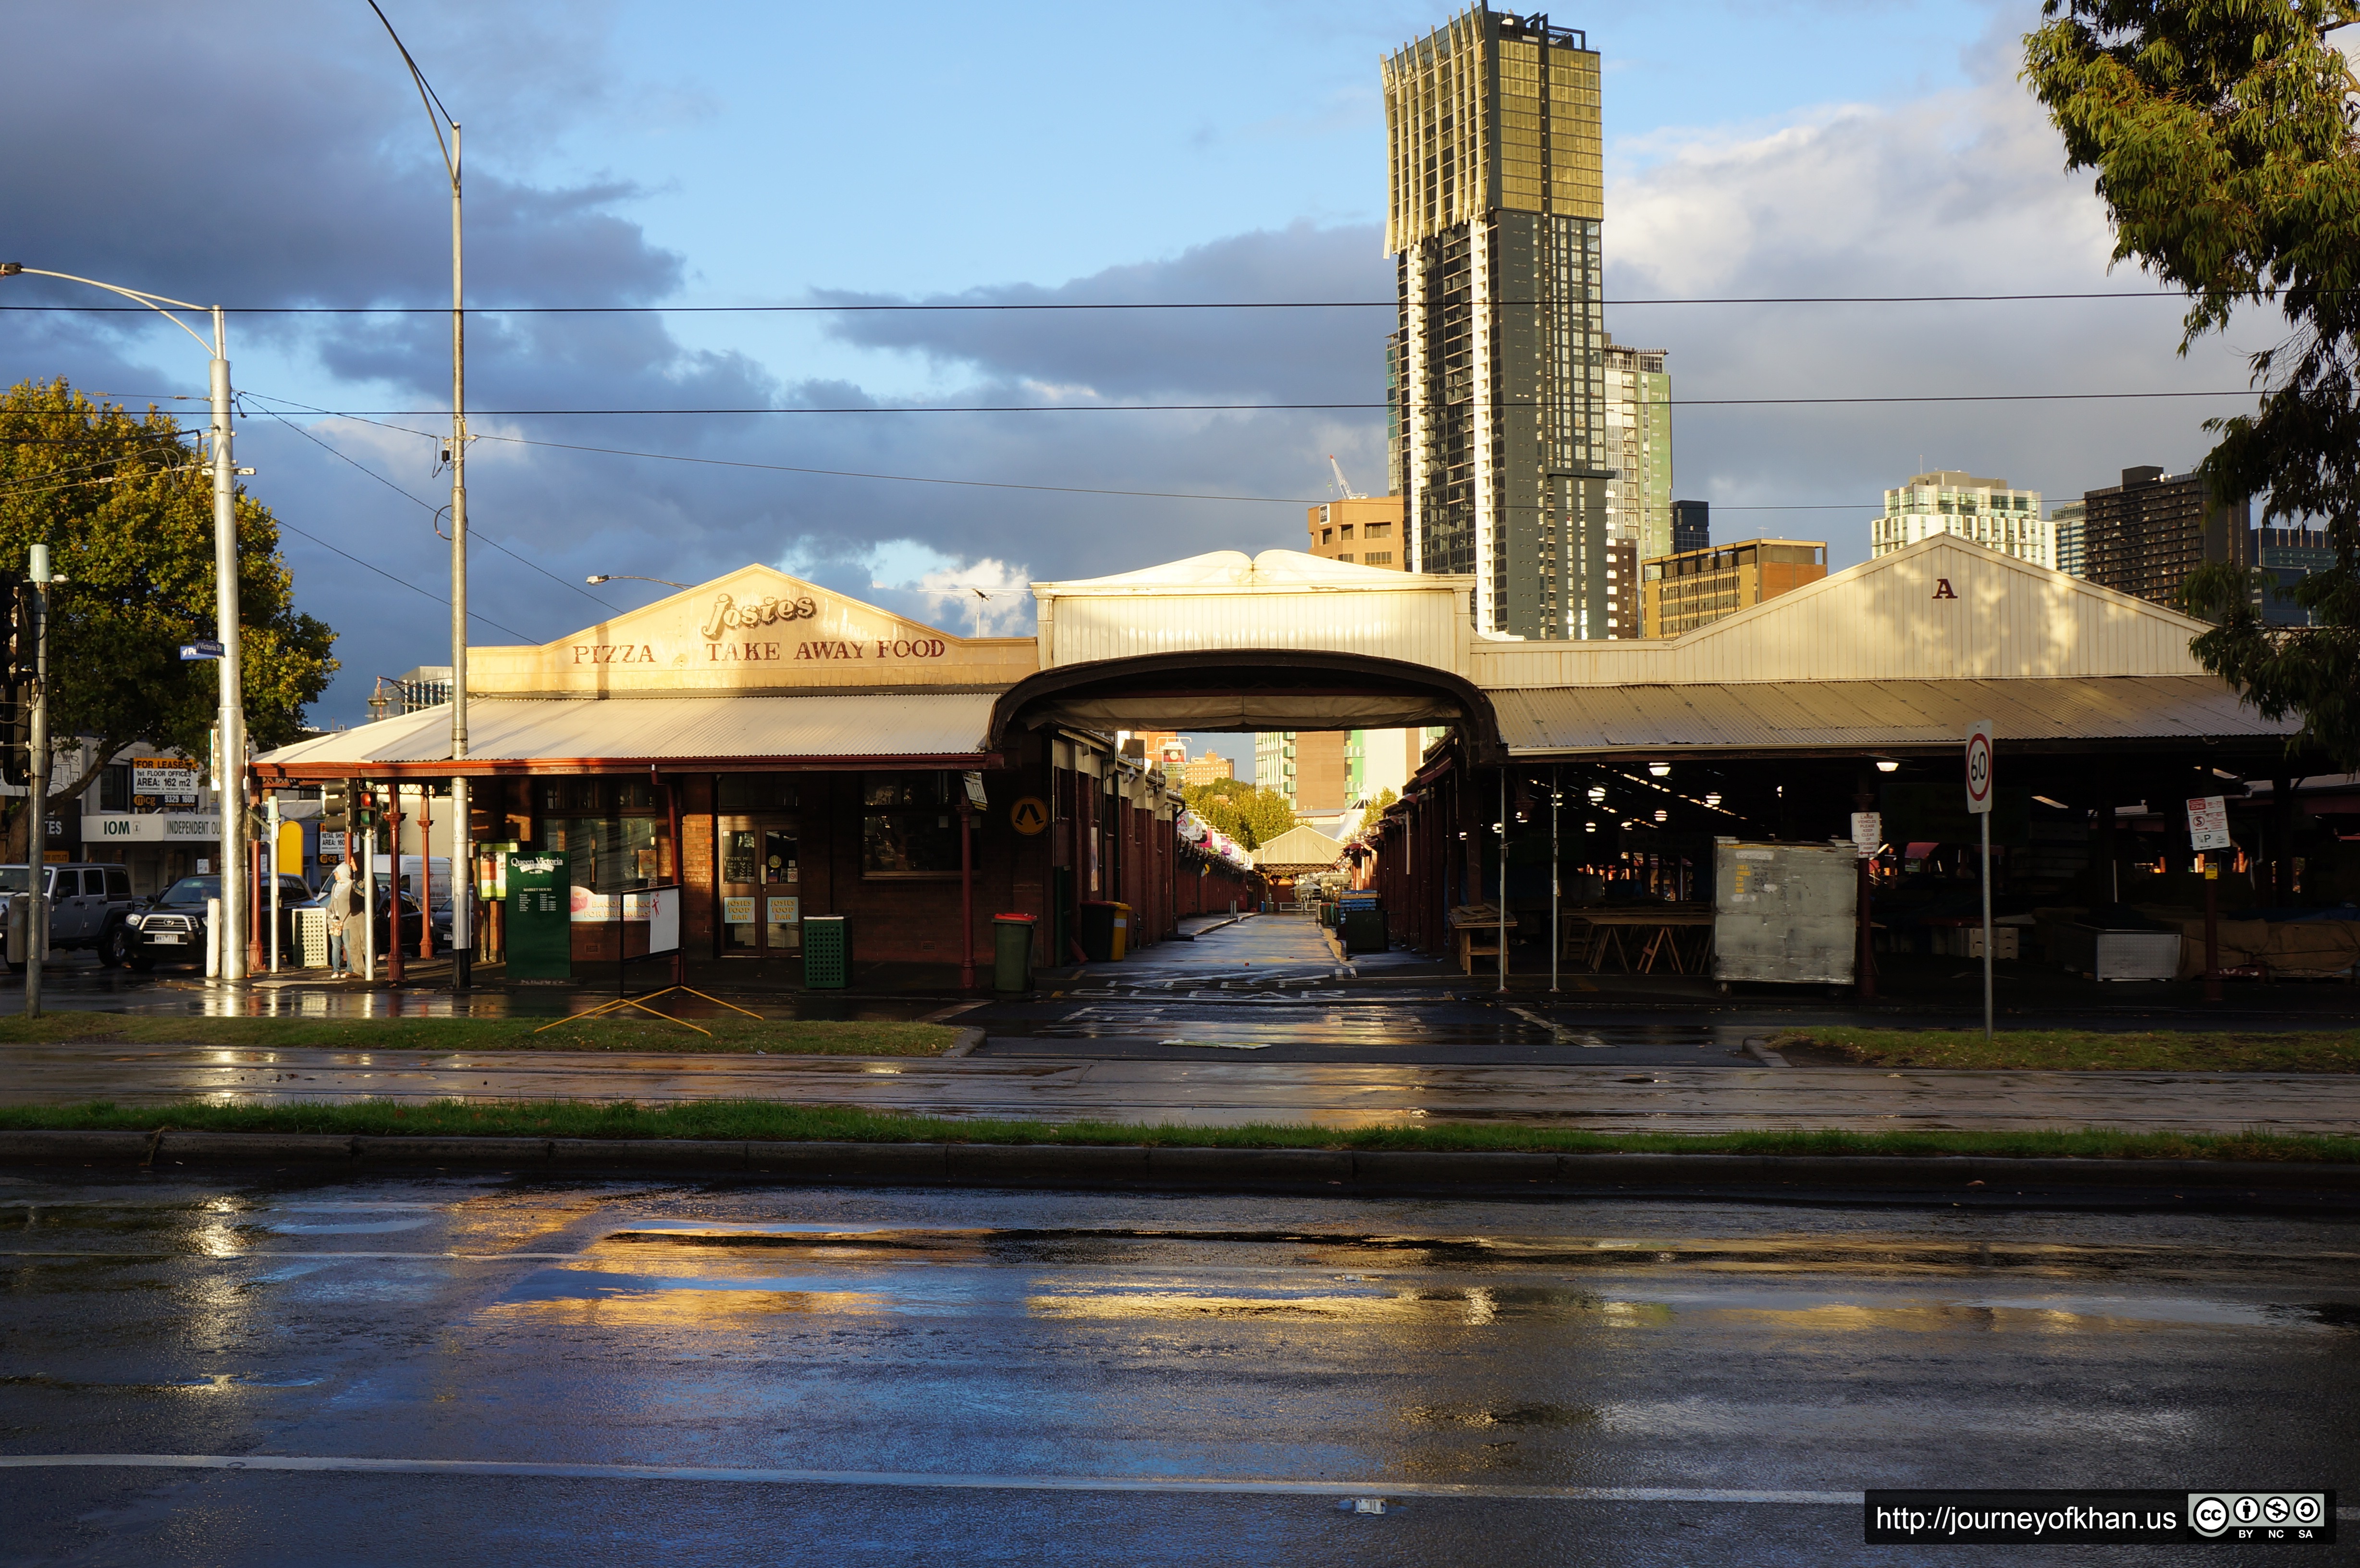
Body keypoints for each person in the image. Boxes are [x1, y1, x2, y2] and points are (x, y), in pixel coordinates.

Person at [324, 860, 355, 976]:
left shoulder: (351, 886)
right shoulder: (335, 886)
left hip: (347, 921)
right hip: (334, 921)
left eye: (337, 873)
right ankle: (336, 969)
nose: (335, 875)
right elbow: (332, 903)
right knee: (335, 946)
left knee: (348, 946)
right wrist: (330, 915)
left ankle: (350, 969)